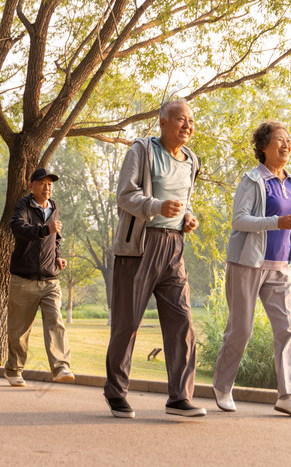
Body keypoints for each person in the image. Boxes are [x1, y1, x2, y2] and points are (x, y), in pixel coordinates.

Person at [104, 99, 205, 418]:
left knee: (182, 322)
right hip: (139, 248)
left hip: (174, 248)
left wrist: (188, 217)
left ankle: (179, 397)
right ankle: (116, 392)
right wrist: (156, 206)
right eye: (180, 120)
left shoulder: (191, 160)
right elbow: (124, 196)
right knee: (128, 323)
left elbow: (185, 201)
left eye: (190, 121)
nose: (187, 125)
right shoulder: (142, 151)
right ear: (162, 123)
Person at [212, 121, 291, 418]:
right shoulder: (252, 180)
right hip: (247, 264)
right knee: (241, 329)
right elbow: (239, 220)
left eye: (289, 140)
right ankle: (222, 386)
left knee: (286, 328)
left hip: (281, 267)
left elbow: (289, 221)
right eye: (280, 140)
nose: (286, 144)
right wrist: (275, 223)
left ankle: (287, 396)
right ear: (264, 146)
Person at [4, 168, 74, 387]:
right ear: (31, 185)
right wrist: (45, 229)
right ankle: (14, 370)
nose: (47, 187)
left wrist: (58, 257)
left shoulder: (54, 207)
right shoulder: (23, 206)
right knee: (19, 331)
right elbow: (18, 228)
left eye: (50, 184)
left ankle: (61, 366)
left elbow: (57, 237)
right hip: (24, 279)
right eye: (42, 183)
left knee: (56, 322)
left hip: (49, 280)